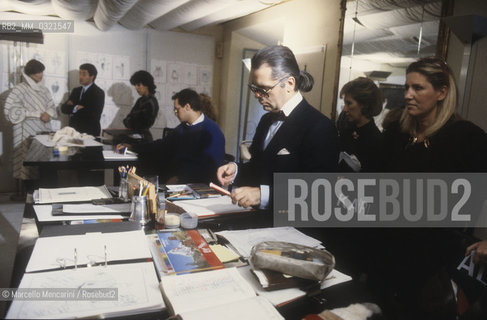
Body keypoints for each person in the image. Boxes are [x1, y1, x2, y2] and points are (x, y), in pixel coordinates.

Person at [376, 56, 487, 319]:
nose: (408, 95)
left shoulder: (465, 138)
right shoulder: (396, 132)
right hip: (387, 253)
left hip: (434, 262)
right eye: (406, 88)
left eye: (418, 88)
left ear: (442, 92)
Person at [216, 45, 339, 209]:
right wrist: (236, 170)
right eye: (254, 88)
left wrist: (262, 196)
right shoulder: (266, 120)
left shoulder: (320, 127)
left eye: (263, 89)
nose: (256, 96)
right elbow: (259, 168)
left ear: (289, 83)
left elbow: (319, 193)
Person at [117, 88, 225, 184]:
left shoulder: (212, 131)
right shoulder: (183, 128)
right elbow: (162, 144)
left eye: (177, 109)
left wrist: (180, 179)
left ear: (187, 107)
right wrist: (133, 147)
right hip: (179, 179)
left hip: (198, 185)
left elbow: (208, 168)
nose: (175, 113)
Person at [4, 59, 57, 186]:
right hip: (25, 131)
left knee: (44, 161)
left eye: (42, 72)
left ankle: (44, 189)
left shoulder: (44, 90)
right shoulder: (19, 89)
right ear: (31, 73)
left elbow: (52, 107)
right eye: (39, 72)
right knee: (27, 162)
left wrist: (48, 113)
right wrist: (36, 114)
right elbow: (10, 111)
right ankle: (28, 192)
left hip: (44, 129)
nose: (41, 75)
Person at [337, 77, 384, 172]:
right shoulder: (346, 130)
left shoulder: (376, 141)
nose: (345, 109)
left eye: (349, 103)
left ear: (365, 104)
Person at [61, 63, 104, 136]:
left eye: (84, 74)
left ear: (92, 76)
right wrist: (76, 108)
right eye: (80, 74)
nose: (80, 77)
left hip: (89, 132)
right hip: (73, 132)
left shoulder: (98, 92)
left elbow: (93, 114)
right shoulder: (76, 91)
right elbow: (64, 109)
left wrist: (72, 108)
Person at [122, 70, 159, 142]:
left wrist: (131, 119)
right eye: (135, 85)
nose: (136, 88)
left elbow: (138, 122)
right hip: (136, 135)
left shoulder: (151, 102)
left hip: (143, 138)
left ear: (146, 85)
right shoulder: (140, 100)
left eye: (139, 85)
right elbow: (127, 121)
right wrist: (131, 119)